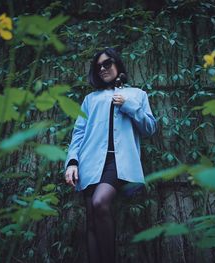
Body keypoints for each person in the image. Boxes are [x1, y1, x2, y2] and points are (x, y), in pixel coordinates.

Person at [64, 47, 157, 263]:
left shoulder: (137, 95)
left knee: (100, 203)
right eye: (98, 67)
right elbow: (79, 133)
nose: (103, 69)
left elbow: (150, 128)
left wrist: (129, 105)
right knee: (92, 223)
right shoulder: (90, 99)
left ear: (117, 63)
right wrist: (72, 162)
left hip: (118, 162)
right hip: (90, 163)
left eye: (107, 63)